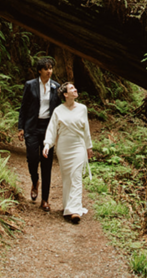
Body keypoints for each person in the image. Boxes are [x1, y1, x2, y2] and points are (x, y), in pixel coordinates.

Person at [42, 82, 93, 224]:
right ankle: (67, 206)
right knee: (67, 177)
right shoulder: (58, 111)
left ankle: (75, 210)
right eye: (72, 88)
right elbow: (52, 129)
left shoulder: (82, 108)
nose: (75, 90)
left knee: (76, 176)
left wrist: (89, 147)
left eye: (75, 88)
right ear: (65, 94)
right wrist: (47, 144)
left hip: (78, 146)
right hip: (63, 148)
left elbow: (86, 129)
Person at [17, 56, 59, 211]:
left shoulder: (56, 86)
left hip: (48, 128)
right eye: (46, 68)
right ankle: (35, 181)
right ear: (40, 70)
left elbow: (60, 109)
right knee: (32, 159)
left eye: (51, 68)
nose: (49, 71)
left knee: (47, 163)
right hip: (32, 128)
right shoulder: (30, 85)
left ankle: (45, 200)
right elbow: (24, 107)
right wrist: (21, 127)